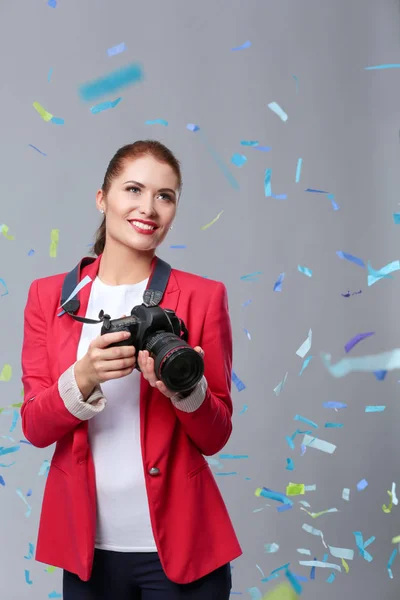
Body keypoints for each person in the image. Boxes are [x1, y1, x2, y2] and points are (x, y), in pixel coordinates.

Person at [21, 140, 242, 599]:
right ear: (102, 198)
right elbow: (35, 428)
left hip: (184, 549)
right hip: (88, 552)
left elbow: (216, 436)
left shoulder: (204, 296)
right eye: (134, 190)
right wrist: (83, 377)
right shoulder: (49, 297)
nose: (149, 208)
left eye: (165, 196)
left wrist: (184, 391)